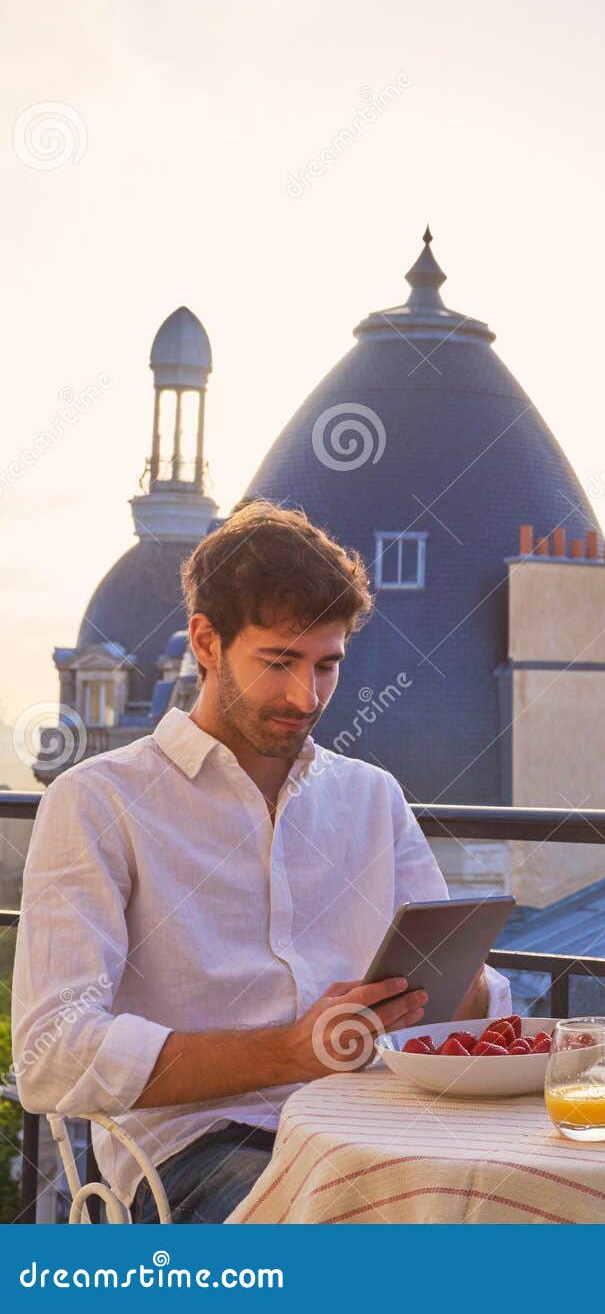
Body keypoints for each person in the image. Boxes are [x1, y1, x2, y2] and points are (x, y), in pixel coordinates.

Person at [13, 501, 512, 1222]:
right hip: (196, 1160)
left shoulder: (372, 797)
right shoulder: (96, 802)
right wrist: (289, 1051)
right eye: (279, 661)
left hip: (371, 1133)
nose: (304, 696)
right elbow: (51, 1052)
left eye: (326, 664)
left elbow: (456, 1004)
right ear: (206, 642)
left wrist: (453, 981)